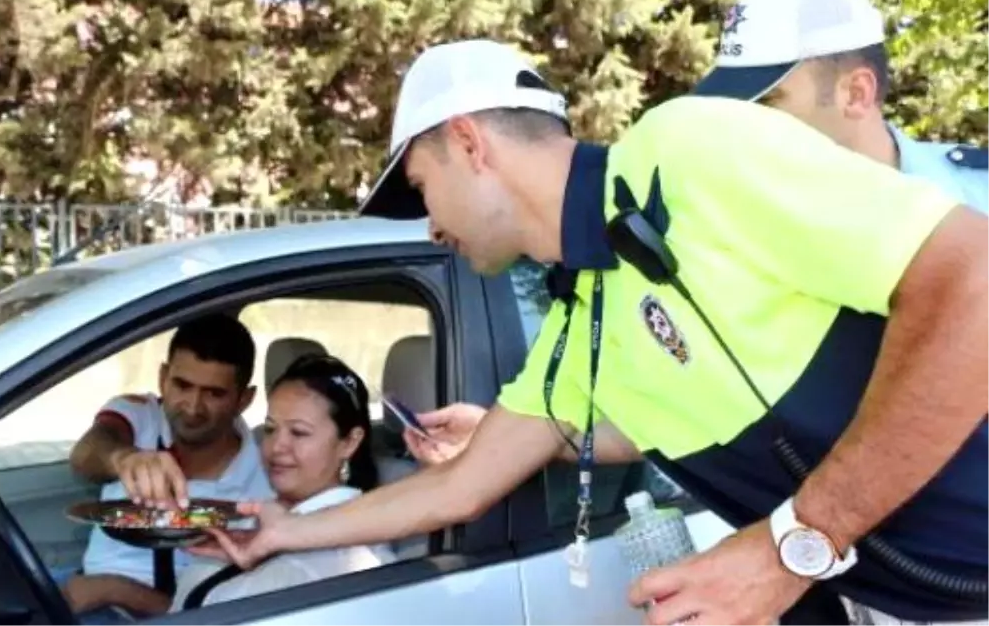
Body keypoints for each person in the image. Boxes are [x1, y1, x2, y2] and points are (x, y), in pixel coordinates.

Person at [187, 38, 989, 626]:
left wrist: (792, 547)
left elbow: (974, 281)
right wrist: (288, 529)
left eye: (425, 188)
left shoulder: (686, 150)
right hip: (920, 599)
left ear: (470, 143)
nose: (431, 227)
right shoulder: (579, 326)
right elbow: (457, 487)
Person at [693, 0, 989, 208]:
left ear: (856, 94)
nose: (740, 122)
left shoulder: (978, 196)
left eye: (768, 101)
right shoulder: (735, 225)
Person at [62, 313, 273, 623]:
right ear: (163, 378)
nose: (192, 407)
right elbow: (87, 453)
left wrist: (113, 590)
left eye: (214, 393)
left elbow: (223, 614)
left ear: (245, 399)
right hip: (86, 594)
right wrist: (124, 459)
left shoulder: (264, 479)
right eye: (182, 385)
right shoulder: (140, 416)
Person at [171, 353, 394, 610]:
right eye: (269, 429)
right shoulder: (257, 522)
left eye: (298, 432)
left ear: (349, 442)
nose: (277, 446)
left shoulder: (348, 559)